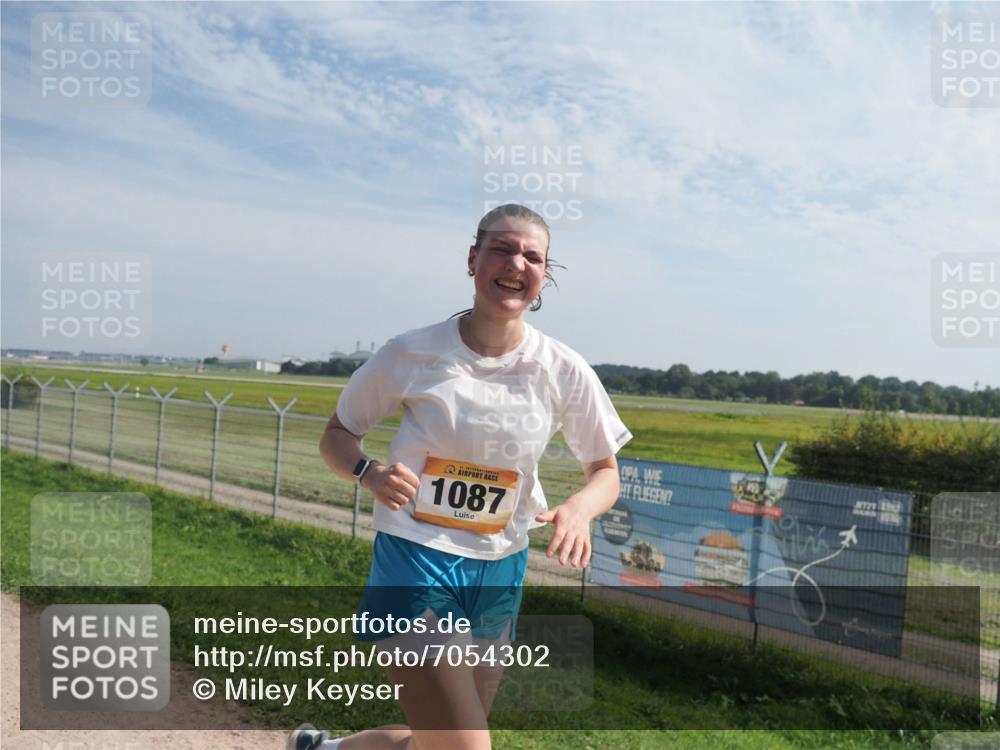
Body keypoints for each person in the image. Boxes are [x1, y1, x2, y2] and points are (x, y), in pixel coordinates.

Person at [290, 203, 632, 750]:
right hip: (416, 556)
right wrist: (368, 471)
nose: (516, 263)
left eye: (532, 256)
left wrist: (580, 509)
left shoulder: (562, 368)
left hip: (501, 566)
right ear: (473, 259)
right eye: (502, 248)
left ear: (544, 274)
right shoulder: (412, 352)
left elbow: (605, 471)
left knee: (437, 742)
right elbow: (337, 434)